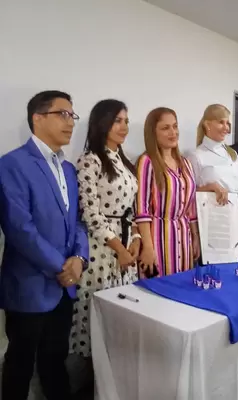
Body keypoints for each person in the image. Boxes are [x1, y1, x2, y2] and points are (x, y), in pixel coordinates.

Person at [0, 90, 89, 400]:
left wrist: (78, 258)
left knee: (55, 358)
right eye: (62, 114)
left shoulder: (68, 169)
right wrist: (59, 267)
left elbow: (78, 220)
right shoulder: (12, 164)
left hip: (66, 285)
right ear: (37, 118)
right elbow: (18, 228)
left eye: (72, 116)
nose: (71, 122)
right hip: (29, 285)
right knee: (19, 364)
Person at [72, 99, 140, 358]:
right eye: (117, 121)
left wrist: (134, 238)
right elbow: (90, 213)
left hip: (124, 247)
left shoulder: (124, 161)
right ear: (102, 123)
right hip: (101, 248)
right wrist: (119, 247)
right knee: (99, 313)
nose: (124, 127)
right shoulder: (90, 160)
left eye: (125, 121)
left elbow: (129, 209)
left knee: (123, 315)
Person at [136, 107, 200, 277]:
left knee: (183, 293)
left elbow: (191, 206)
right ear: (153, 132)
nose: (173, 132)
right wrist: (148, 248)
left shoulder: (185, 163)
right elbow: (142, 209)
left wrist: (195, 237)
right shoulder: (147, 161)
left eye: (175, 126)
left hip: (184, 239)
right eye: (165, 128)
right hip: (158, 240)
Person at [188, 104, 238, 209]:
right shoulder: (196, 156)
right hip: (212, 217)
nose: (226, 128)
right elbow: (187, 194)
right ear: (207, 125)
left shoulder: (233, 154)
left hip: (235, 216)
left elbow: (237, 188)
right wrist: (210, 187)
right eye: (221, 122)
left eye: (227, 123)